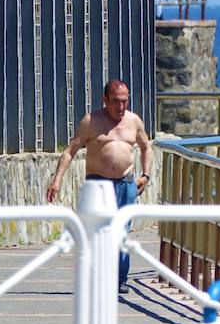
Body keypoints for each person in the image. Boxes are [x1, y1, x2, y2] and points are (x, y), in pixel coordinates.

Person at [46, 79, 153, 295]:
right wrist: (57, 180)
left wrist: (145, 175)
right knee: (97, 233)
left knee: (122, 232)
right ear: (105, 100)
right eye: (115, 102)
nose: (121, 107)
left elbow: (146, 147)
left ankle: (120, 279)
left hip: (125, 183)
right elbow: (70, 151)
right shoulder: (91, 121)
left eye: (124, 101)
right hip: (98, 184)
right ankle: (96, 277)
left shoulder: (134, 121)